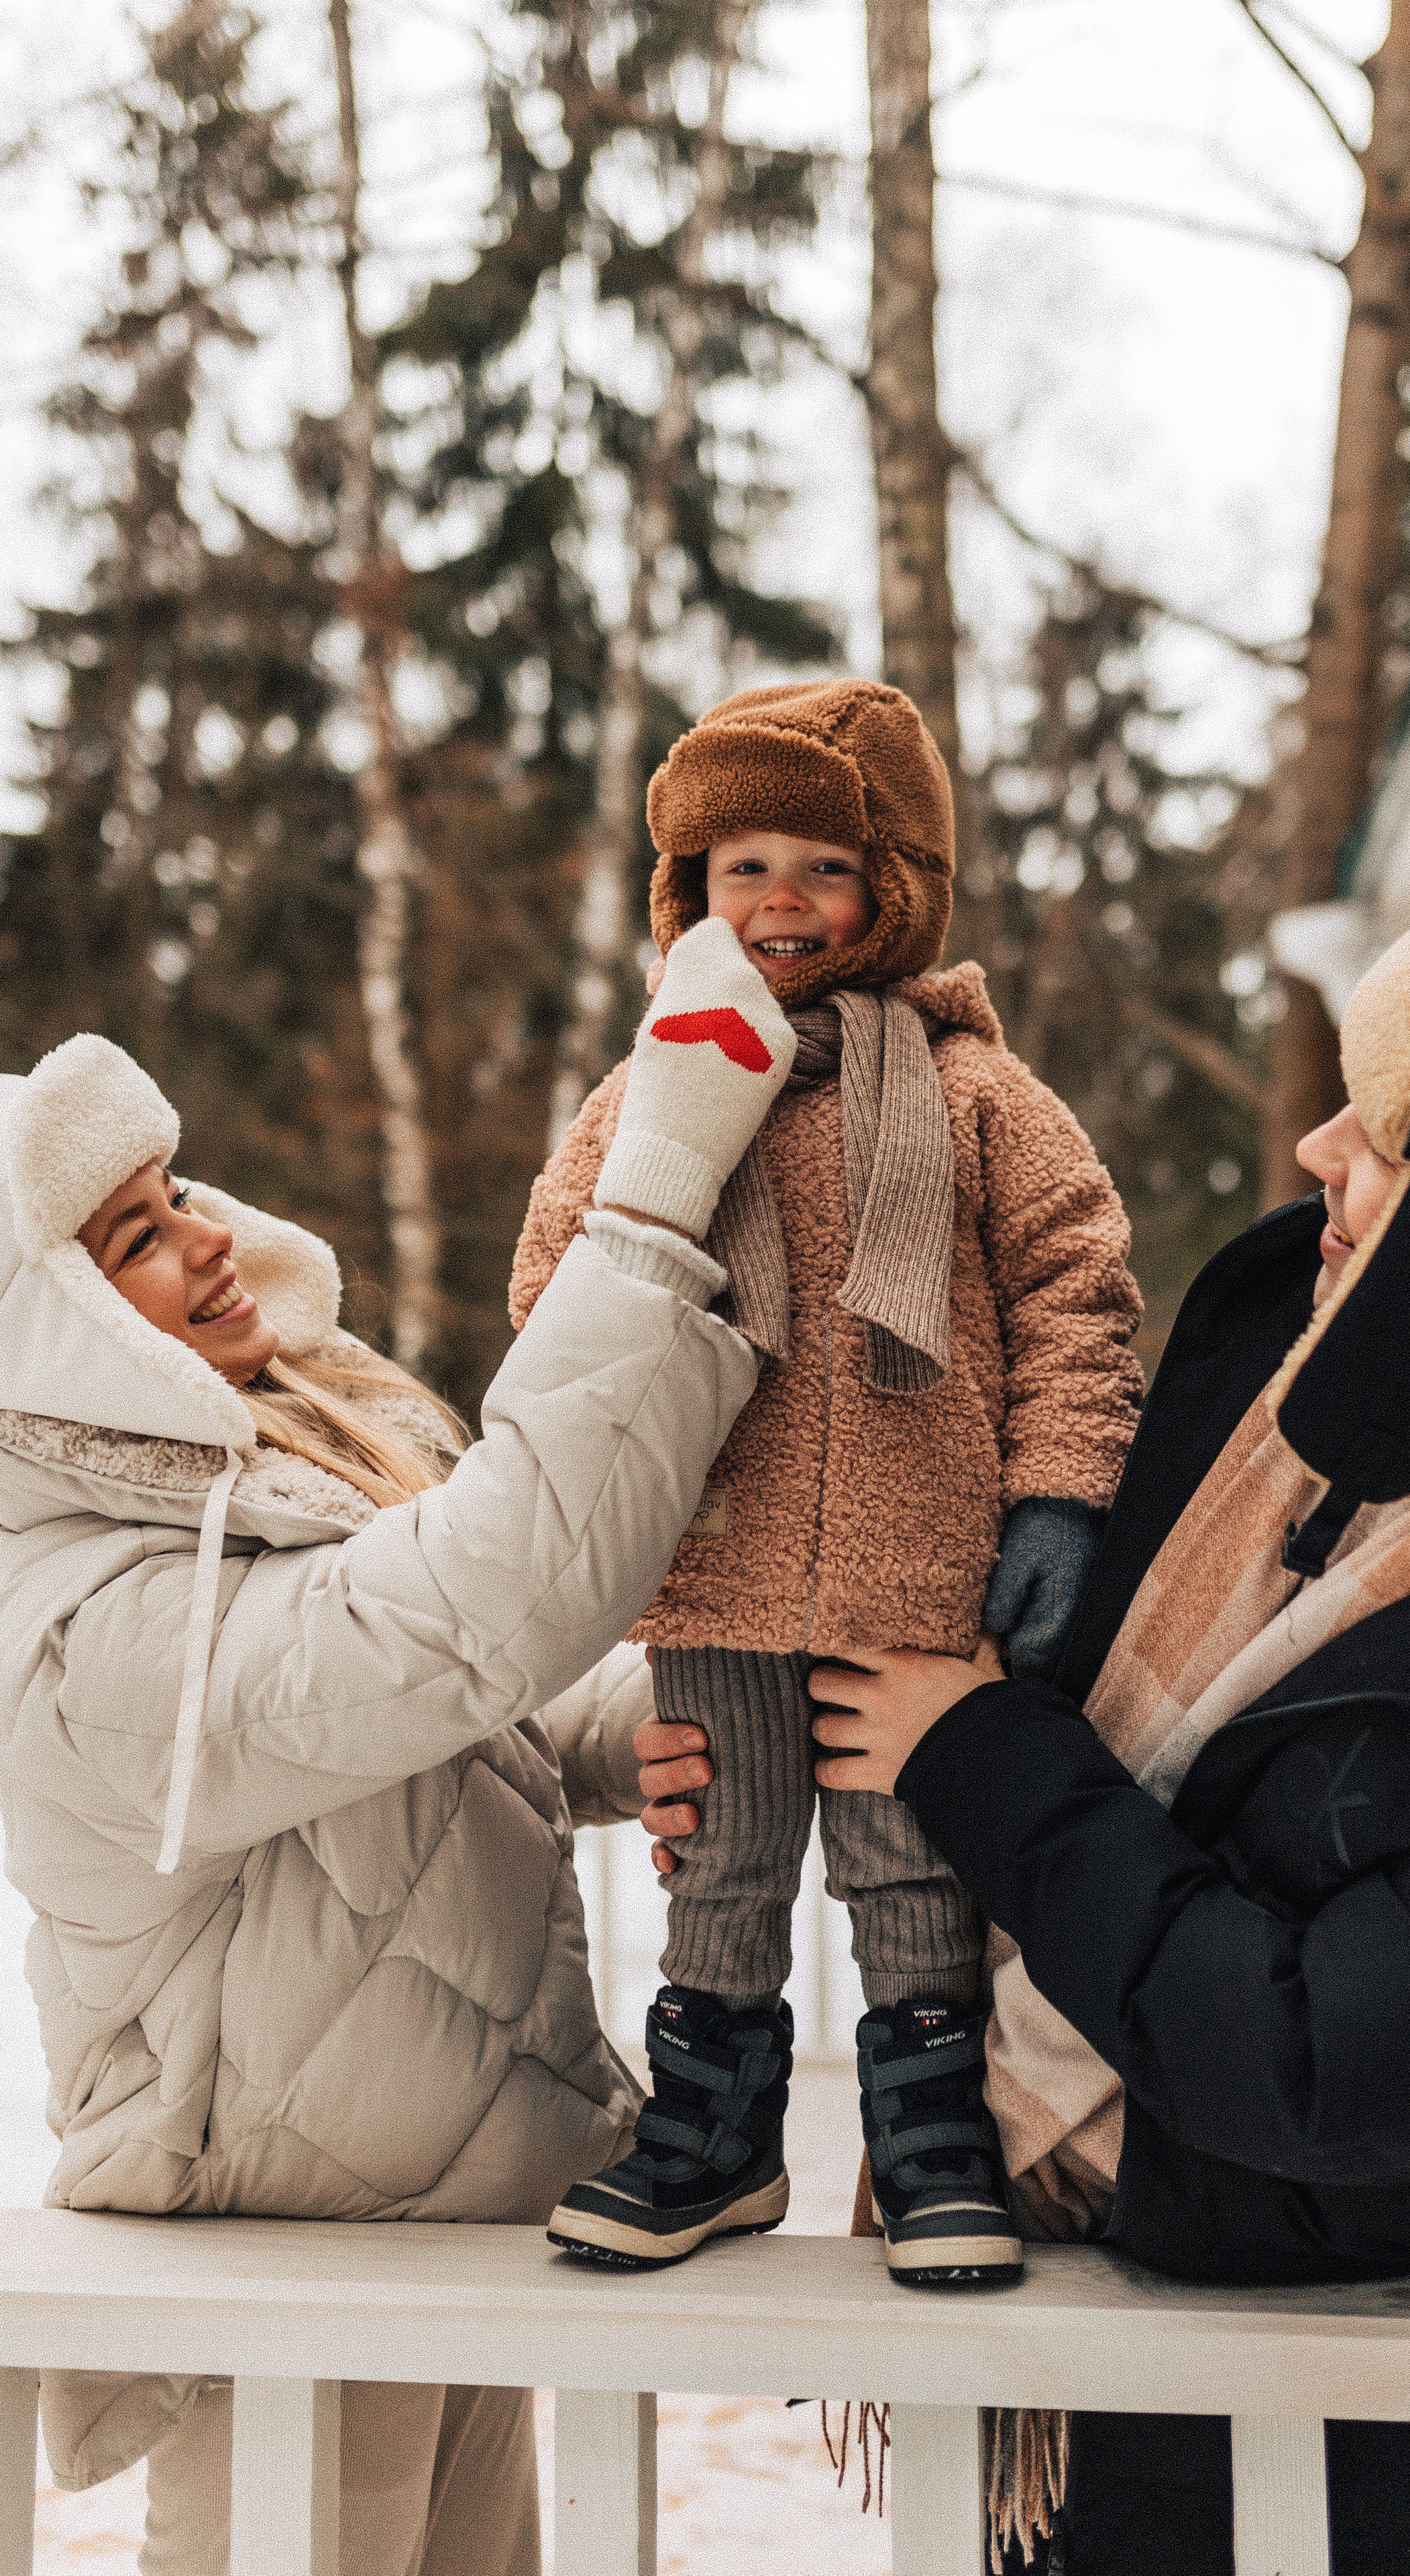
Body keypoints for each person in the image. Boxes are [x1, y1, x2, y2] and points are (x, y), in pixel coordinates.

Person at [746, 885, 1410, 2573]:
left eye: (1392, 1135)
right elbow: (1042, 1622)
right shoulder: (1293, 1319)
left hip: (1408, 2451)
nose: (1313, 1143)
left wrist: (974, 1756)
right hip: (1083, 2342)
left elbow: (1316, 2065)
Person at [0, 916, 792, 2575]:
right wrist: (652, 1197)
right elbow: (456, 1616)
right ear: (49, 1327)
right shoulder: (75, 1625)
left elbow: (433, 1719)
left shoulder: (269, 1469)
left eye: (182, 1195)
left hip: (445, 2199)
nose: (210, 1244)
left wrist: (628, 1734)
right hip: (285, 2256)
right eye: (137, 1238)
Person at [510, 678, 1144, 2285]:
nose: (780, 902)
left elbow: (1077, 1291)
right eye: (742, 869)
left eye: (822, 867)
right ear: (688, 897)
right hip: (713, 1563)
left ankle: (929, 2134)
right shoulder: (655, 1087)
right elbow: (560, 1290)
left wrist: (1059, 1495)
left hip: (916, 1576)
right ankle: (709, 2131)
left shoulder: (971, 1093)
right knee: (718, 1849)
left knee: (906, 1857)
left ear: (896, 895)